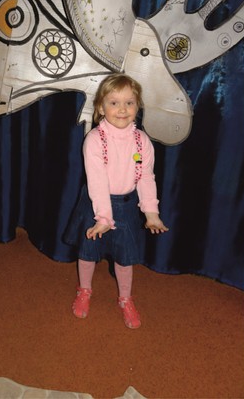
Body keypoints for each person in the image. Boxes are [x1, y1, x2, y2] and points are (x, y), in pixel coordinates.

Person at [64, 73, 168, 328]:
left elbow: (146, 176)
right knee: (88, 253)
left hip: (126, 207)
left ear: (137, 106)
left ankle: (125, 298)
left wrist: (151, 212)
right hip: (96, 206)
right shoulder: (94, 140)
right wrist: (103, 218)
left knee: (125, 258)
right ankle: (84, 290)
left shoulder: (142, 142)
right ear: (101, 108)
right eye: (114, 103)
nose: (122, 109)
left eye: (129, 103)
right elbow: (97, 182)